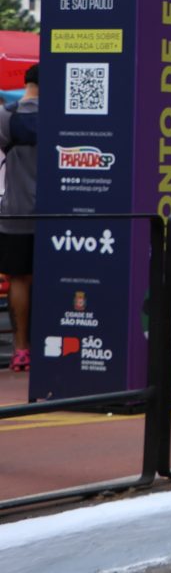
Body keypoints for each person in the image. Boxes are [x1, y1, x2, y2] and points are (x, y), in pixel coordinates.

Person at [0, 64, 38, 372]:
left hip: (15, 211)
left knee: (18, 279)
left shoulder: (6, 117)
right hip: (60, 215)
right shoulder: (64, 116)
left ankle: (21, 349)